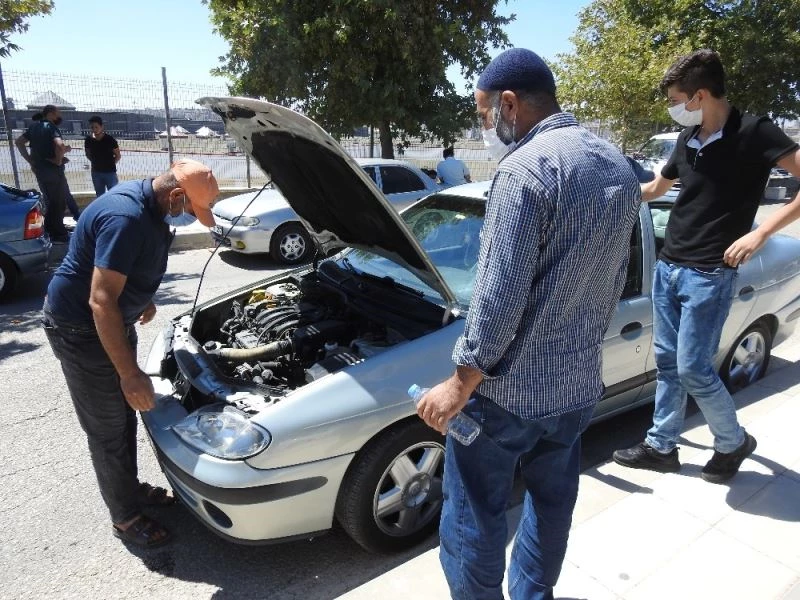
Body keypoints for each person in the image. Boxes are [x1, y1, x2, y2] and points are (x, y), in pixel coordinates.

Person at [416, 48, 641, 599]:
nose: (484, 126)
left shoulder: (524, 170)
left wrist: (459, 383)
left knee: (475, 521)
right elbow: (614, 280)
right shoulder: (616, 163)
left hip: (505, 399)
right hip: (577, 387)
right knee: (552, 505)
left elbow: (497, 298)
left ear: (509, 104)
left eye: (482, 112)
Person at [613, 50, 800, 482]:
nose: (672, 109)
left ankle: (733, 442)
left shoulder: (755, 132)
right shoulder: (689, 137)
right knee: (666, 361)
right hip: (670, 266)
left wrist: (760, 233)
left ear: (699, 95)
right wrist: (606, 193)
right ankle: (662, 445)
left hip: (710, 274)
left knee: (693, 367)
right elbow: (658, 187)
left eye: (676, 99)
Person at [42, 159, 219, 548]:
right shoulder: (126, 218)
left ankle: (131, 489)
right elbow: (101, 301)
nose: (190, 217)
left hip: (110, 321)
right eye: (191, 209)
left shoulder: (153, 208)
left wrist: (143, 298)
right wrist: (129, 373)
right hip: (81, 329)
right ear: (175, 195)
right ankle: (124, 517)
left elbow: (127, 270)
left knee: (125, 417)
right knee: (108, 428)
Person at [15, 104, 74, 241]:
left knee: (51, 202)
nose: (60, 116)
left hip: (40, 171)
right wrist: (58, 160)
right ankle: (59, 234)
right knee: (58, 203)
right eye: (58, 113)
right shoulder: (51, 127)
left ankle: (49, 230)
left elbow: (19, 142)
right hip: (53, 172)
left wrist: (31, 161)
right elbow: (59, 146)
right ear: (51, 113)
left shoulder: (33, 127)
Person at [85, 116, 121, 197]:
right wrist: (96, 162)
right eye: (92, 127)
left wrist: (110, 164)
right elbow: (88, 154)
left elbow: (118, 155)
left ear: (102, 127)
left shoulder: (110, 139)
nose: (94, 129)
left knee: (114, 195)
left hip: (110, 173)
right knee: (100, 196)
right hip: (96, 173)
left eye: (96, 127)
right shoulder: (88, 140)